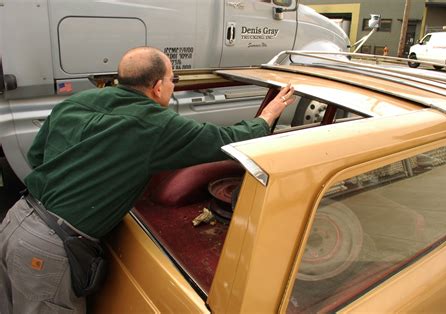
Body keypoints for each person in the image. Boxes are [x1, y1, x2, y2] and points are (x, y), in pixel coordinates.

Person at [0, 46, 295, 313]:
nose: (173, 86)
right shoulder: (154, 124)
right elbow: (226, 140)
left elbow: (38, 156)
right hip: (48, 251)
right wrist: (266, 117)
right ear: (157, 87)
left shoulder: (77, 102)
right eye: (173, 81)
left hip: (16, 220)